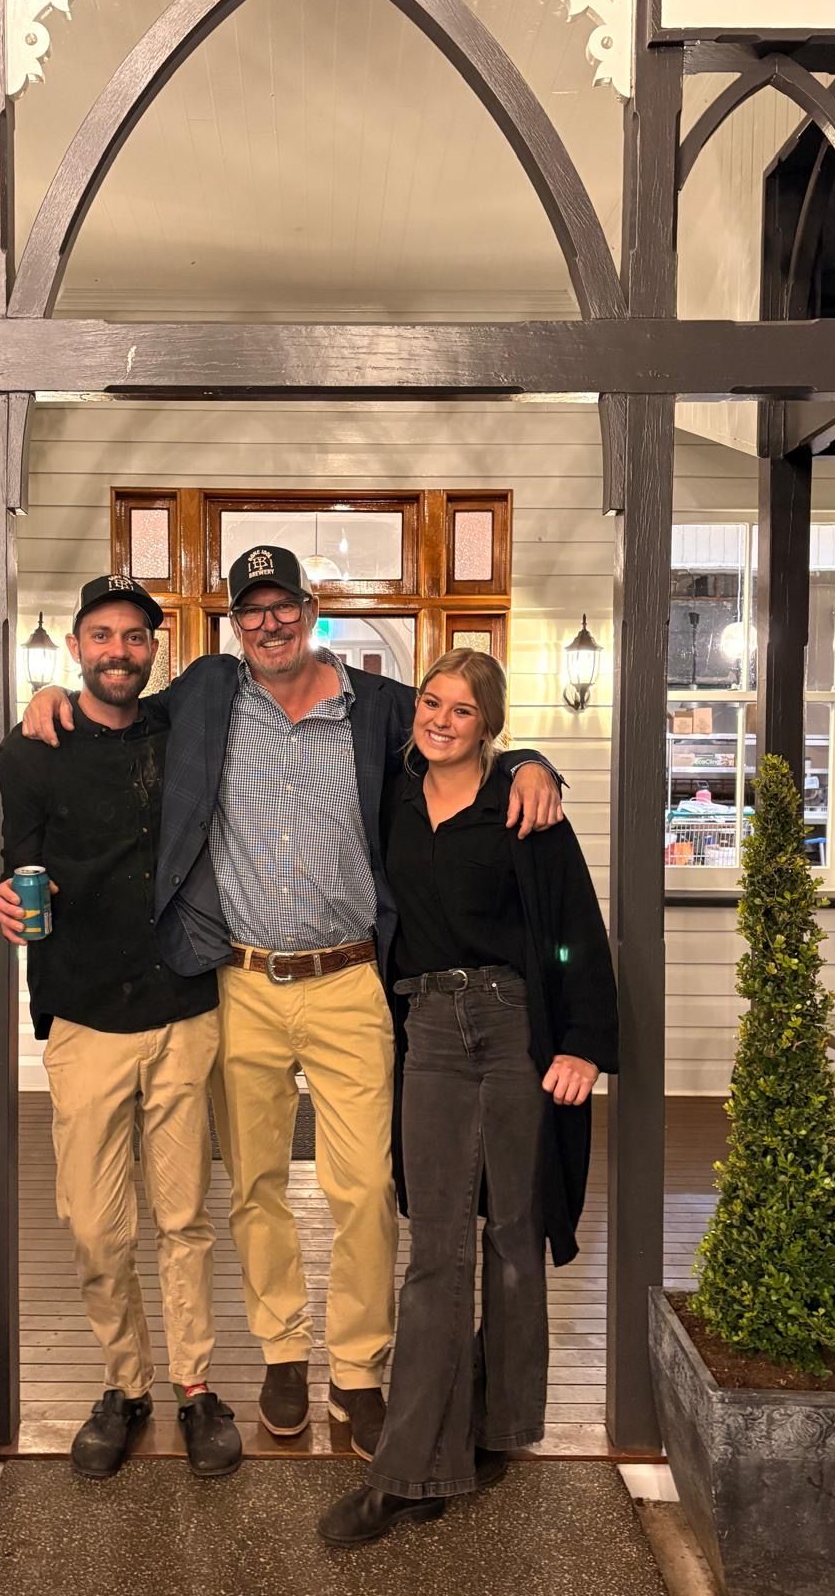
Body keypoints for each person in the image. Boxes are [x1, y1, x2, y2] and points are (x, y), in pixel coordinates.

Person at [3, 548, 564, 1461]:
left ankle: (357, 1371)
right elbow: (119, 711)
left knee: (365, 1188)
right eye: (250, 610)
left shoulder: (376, 707)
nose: (269, 623)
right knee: (254, 1184)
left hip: (347, 982)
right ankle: (278, 1355)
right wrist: (48, 700)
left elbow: (455, 739)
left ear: (310, 609)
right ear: (233, 625)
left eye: (283, 606)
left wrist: (532, 756)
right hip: (242, 982)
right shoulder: (207, 698)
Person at [317, 647, 617, 1546]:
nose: (439, 720)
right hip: (432, 1028)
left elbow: (574, 928)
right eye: (430, 703)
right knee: (436, 1244)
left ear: (489, 724)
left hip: (516, 1022)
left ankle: (500, 1425)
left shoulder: (524, 806)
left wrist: (585, 1046)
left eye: (460, 710)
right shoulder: (394, 798)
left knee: (515, 1231)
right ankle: (413, 1471)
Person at [0, 574, 242, 1481]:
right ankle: (124, 1386)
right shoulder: (28, 753)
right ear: (75, 645)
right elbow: (15, 863)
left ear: (154, 648)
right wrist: (11, 901)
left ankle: (196, 1388)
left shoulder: (184, 727)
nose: (118, 653)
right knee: (97, 1226)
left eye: (135, 638)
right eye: (101, 637)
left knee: (182, 1217)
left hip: (183, 1006)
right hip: (86, 1011)